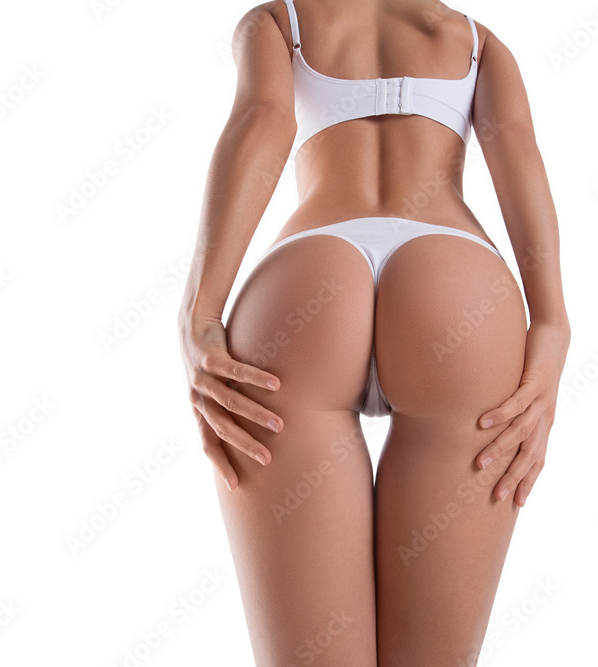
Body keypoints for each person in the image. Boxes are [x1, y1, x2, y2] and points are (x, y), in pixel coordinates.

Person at [177, 0, 570, 663]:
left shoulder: (280, 22)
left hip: (310, 281)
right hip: (455, 285)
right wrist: (552, 321)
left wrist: (200, 309)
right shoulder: (477, 43)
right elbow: (519, 154)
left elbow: (263, 121)